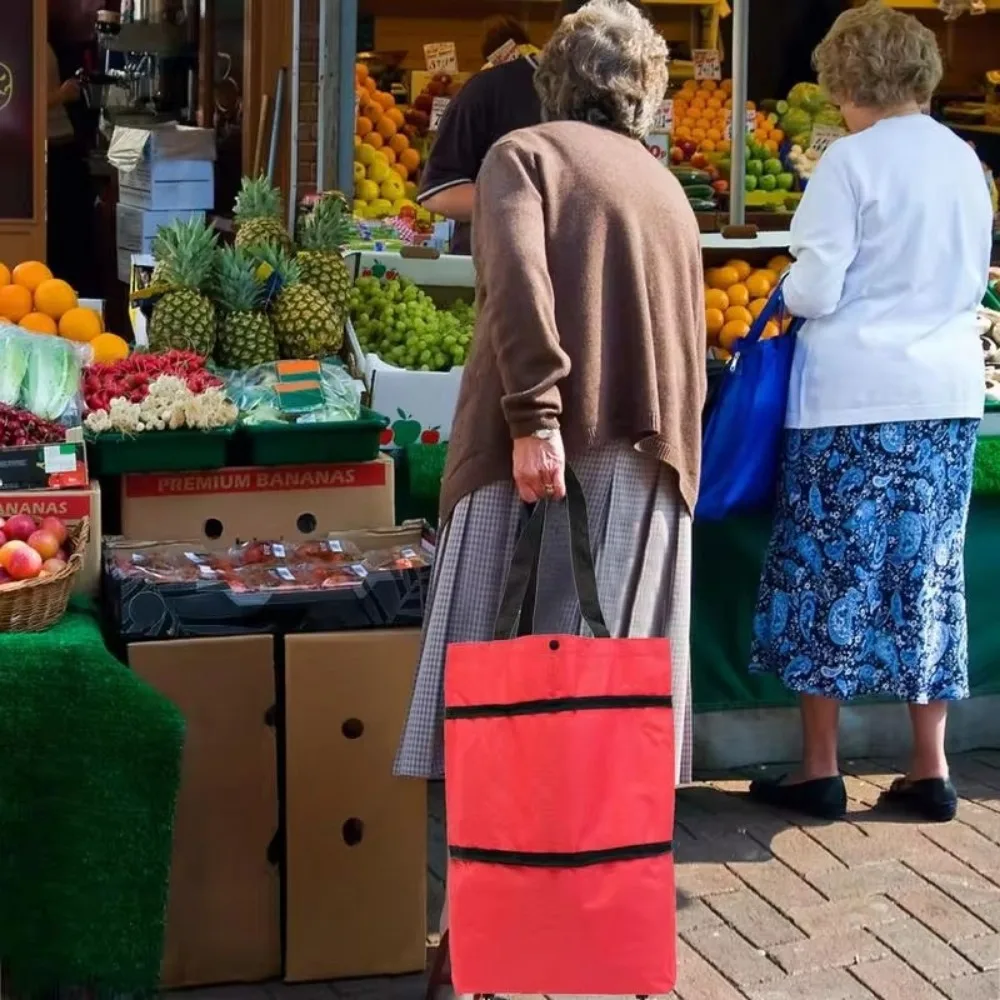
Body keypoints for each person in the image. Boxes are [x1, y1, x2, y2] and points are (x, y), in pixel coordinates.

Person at [396, 0, 705, 798]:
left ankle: (493, 912)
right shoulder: (665, 188)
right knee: (605, 729)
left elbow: (517, 288)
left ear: (552, 76)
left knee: (500, 715)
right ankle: (588, 908)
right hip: (652, 476)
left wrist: (535, 420)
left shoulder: (522, 155)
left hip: (539, 461)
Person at [747, 1, 993, 824]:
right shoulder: (964, 159)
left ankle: (820, 766)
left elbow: (815, 287)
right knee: (926, 575)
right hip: (947, 395)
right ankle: (931, 767)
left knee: (827, 574)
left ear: (849, 79)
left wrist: (785, 289)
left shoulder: (848, 163)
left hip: (850, 398)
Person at [417, 0, 647, 254]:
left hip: (586, 271)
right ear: (569, 35)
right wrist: (531, 207)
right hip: (493, 274)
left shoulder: (616, 97)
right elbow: (439, 191)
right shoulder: (488, 90)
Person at [46, 42, 95, 295]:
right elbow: (16, 103)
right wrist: (61, 95)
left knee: (76, 237)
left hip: (62, 146)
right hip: (47, 152)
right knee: (65, 238)